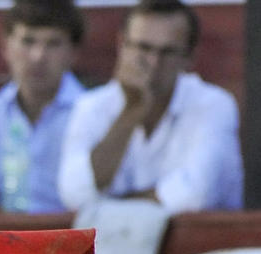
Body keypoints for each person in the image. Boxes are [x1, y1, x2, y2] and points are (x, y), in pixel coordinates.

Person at [56, 0, 241, 214]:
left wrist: (106, 209)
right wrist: (131, 111)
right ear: (122, 45)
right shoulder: (91, 106)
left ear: (189, 57)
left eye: (167, 52)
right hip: (111, 245)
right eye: (144, 48)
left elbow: (193, 196)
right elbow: (74, 194)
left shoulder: (214, 105)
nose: (153, 63)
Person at [0, 0, 86, 213]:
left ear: (73, 52)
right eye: (28, 41)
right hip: (1, 243)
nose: (38, 57)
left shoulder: (95, 114)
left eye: (53, 44)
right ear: (6, 46)